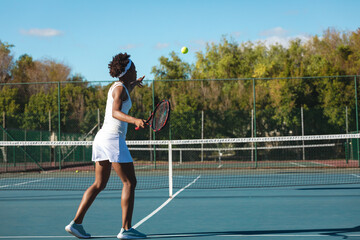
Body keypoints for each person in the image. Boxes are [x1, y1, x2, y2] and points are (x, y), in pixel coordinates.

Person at [65, 53, 147, 239]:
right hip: (113, 139)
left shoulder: (121, 87)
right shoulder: (120, 90)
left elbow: (125, 94)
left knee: (99, 184)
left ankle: (76, 224)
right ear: (126, 72)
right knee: (129, 182)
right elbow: (116, 112)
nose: (136, 70)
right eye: (133, 68)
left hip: (101, 138)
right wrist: (135, 120)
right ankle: (126, 230)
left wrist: (135, 84)